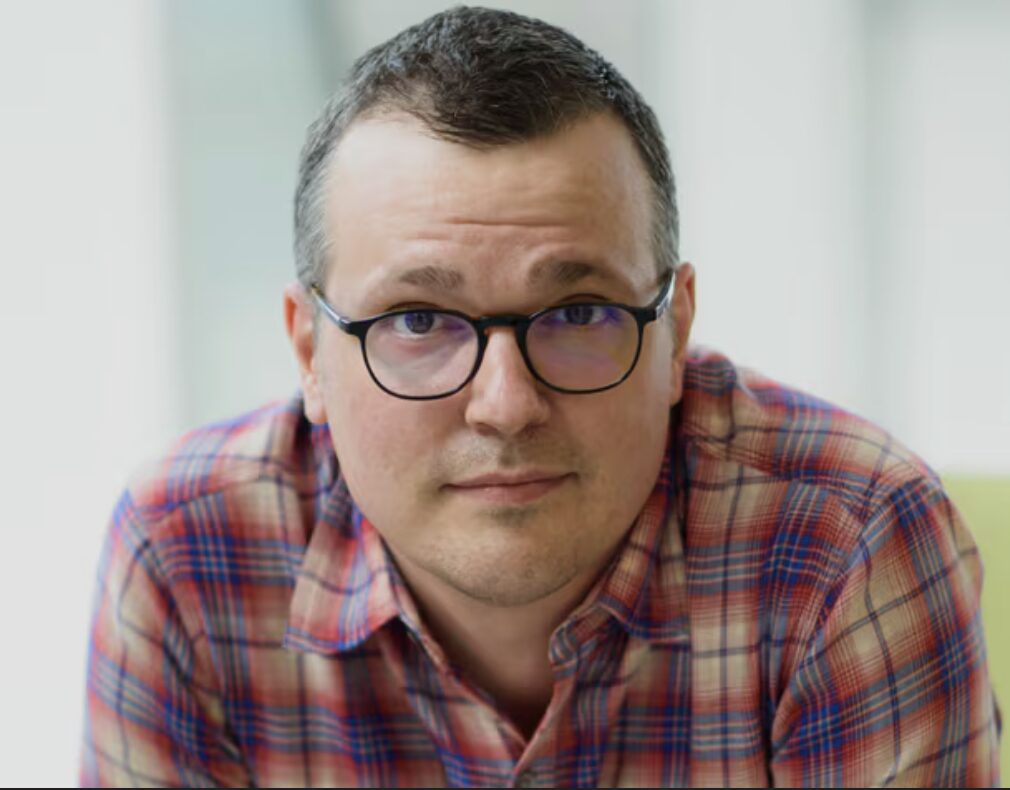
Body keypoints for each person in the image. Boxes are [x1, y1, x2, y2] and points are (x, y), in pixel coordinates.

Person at [80, 6, 1000, 787]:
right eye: (417, 322)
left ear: (675, 331)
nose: (506, 405)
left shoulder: (848, 542)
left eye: (580, 310)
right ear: (309, 351)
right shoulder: (186, 551)